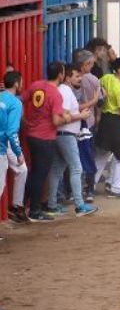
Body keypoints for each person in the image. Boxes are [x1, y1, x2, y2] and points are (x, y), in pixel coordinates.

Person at [46, 62, 99, 217]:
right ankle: (79, 205)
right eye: (76, 76)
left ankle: (52, 204)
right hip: (66, 134)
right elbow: (65, 114)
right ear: (65, 77)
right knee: (76, 168)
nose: (80, 79)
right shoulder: (65, 91)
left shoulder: (59, 90)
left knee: (57, 170)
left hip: (60, 134)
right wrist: (81, 116)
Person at [21, 63, 68, 221]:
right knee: (40, 175)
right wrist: (66, 118)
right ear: (61, 75)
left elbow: (21, 100)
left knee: (34, 173)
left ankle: (22, 205)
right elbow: (56, 121)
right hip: (45, 138)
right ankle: (34, 210)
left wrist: (23, 119)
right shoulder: (55, 94)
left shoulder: (36, 85)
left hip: (31, 135)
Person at [93, 57, 120, 194]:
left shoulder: (106, 78)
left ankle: (89, 186)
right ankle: (116, 188)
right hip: (116, 122)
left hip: (105, 120)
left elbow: (98, 88)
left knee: (101, 156)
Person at [0, 70, 29, 223]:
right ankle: (17, 206)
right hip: (3, 145)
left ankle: (17, 206)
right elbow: (12, 132)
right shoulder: (15, 102)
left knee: (22, 170)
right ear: (17, 84)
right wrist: (18, 153)